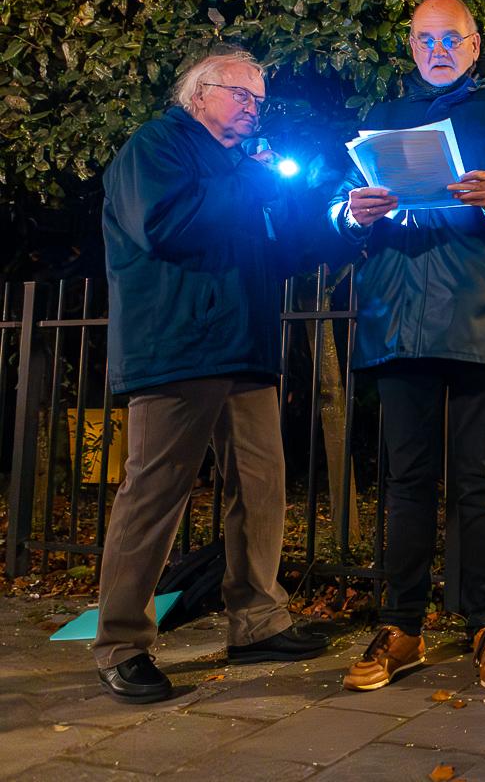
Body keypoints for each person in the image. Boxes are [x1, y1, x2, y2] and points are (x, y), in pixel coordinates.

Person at [332, 0, 485, 692]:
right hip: (398, 320)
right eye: (425, 39)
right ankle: (401, 626)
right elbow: (336, 211)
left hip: (478, 319)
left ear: (474, 45)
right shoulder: (379, 122)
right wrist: (352, 213)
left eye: (450, 39)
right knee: (405, 483)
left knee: (480, 479)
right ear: (410, 46)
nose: (437, 50)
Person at [95, 49, 329, 703]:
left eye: (261, 99)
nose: (254, 108)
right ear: (198, 94)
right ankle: (120, 643)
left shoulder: (242, 168)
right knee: (155, 493)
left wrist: (335, 220)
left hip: (244, 348)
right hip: (176, 347)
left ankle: (257, 621)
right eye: (241, 95)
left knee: (262, 485)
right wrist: (252, 182)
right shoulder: (155, 147)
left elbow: (284, 254)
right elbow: (165, 225)